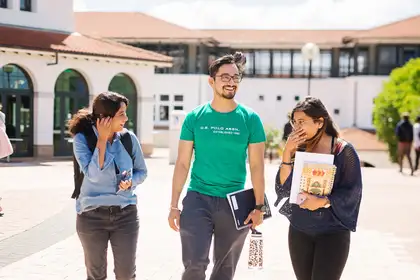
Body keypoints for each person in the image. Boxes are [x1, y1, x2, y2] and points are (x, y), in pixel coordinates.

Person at [168, 52, 267, 280]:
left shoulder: (250, 119)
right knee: (194, 265)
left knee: (224, 270)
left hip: (236, 203)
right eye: (225, 77)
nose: (231, 81)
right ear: (211, 81)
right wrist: (174, 205)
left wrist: (259, 206)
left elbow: (257, 166)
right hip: (197, 199)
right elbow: (182, 163)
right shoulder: (195, 117)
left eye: (235, 77)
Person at [274, 96, 363, 280]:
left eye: (302, 122)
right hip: (299, 230)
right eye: (294, 122)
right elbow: (284, 188)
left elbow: (353, 192)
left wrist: (323, 201)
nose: (296, 128)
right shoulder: (299, 149)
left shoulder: (343, 151)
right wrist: (287, 153)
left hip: (333, 233)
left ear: (320, 122)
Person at [69, 91, 147, 280]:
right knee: (96, 275)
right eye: (121, 114)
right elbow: (94, 175)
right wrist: (102, 140)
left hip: (125, 214)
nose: (126, 118)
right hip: (91, 216)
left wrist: (131, 182)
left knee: (126, 274)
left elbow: (142, 171)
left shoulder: (129, 139)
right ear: (104, 118)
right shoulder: (82, 140)